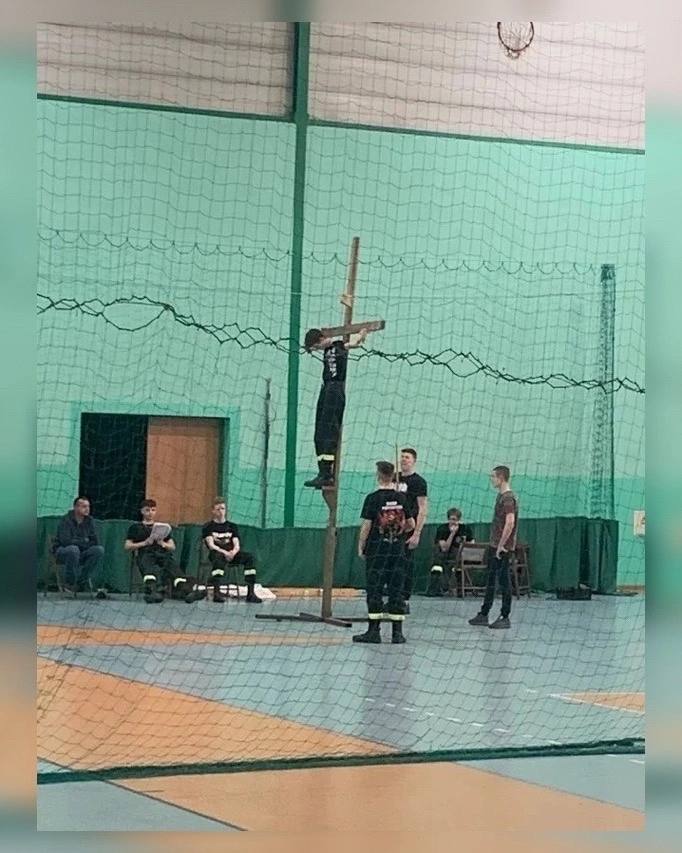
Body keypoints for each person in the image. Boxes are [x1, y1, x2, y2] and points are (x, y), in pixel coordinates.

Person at [353, 461, 416, 645]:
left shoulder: (372, 498)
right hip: (397, 552)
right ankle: (397, 634)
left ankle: (374, 632)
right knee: (396, 590)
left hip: (377, 552)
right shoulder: (402, 498)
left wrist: (361, 545)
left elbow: (366, 526)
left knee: (375, 590)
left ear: (379, 475)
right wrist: (398, 533)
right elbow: (411, 524)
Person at [302, 326, 369, 489]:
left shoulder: (337, 346)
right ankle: (322, 471)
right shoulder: (327, 350)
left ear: (320, 339)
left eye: (316, 346)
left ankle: (327, 473)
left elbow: (353, 344)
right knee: (319, 432)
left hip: (335, 388)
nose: (317, 349)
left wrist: (361, 335)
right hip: (326, 386)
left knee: (329, 429)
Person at [124, 499, 205, 604]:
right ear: (142, 511)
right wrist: (144, 543)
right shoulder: (135, 527)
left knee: (174, 569)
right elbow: (127, 546)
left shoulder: (161, 528)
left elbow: (172, 547)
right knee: (149, 570)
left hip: (162, 553)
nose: (150, 513)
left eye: (153, 510)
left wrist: (163, 543)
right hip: (146, 553)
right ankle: (153, 592)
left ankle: (188, 592)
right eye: (147, 510)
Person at [469, 466, 519, 629]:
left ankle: (505, 615)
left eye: (493, 476)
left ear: (501, 478)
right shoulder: (501, 496)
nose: (491, 479)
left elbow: (510, 522)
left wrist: (501, 545)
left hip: (502, 547)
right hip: (495, 545)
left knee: (504, 580)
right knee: (491, 579)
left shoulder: (508, 498)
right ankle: (484, 613)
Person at [201, 498, 262, 603]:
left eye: (223, 508)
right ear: (213, 511)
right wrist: (225, 553)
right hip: (217, 554)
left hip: (232, 554)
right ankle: (216, 593)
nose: (221, 511)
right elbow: (211, 545)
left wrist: (233, 552)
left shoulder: (232, 526)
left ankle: (251, 593)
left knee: (249, 558)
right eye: (218, 509)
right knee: (218, 558)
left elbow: (236, 543)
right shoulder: (208, 526)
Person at [53, 496, 107, 598]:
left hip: (82, 552)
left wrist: (78, 542)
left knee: (99, 550)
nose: (87, 509)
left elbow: (94, 541)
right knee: (73, 549)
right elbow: (65, 541)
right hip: (63, 552)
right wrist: (84, 541)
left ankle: (81, 581)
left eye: (88, 506)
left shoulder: (89, 521)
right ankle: (69, 583)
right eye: (84, 506)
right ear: (76, 507)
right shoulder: (66, 520)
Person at [396, 447, 428, 611]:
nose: (403, 459)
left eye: (407, 457)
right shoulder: (394, 478)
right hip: (392, 528)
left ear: (414, 461)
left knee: (406, 563)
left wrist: (417, 533)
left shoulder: (419, 482)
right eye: (402, 457)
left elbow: (422, 508)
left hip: (409, 528)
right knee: (392, 563)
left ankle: (404, 599)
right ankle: (393, 597)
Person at [427, 507, 474, 596]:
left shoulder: (465, 529)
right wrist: (452, 534)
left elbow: (472, 545)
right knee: (437, 564)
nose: (453, 522)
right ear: (448, 519)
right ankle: (434, 589)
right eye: (452, 519)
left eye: (456, 520)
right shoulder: (442, 529)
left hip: (461, 557)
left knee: (458, 563)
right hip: (444, 556)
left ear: (459, 520)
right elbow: (444, 548)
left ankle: (460, 590)